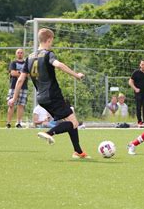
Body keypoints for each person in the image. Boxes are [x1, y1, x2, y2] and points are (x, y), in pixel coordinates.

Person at [9, 28, 89, 159]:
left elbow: (20, 80)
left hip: (41, 98)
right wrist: (76, 75)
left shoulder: (29, 58)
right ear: (49, 39)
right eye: (52, 41)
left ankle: (78, 152)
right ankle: (50, 133)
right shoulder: (48, 54)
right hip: (53, 95)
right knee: (74, 123)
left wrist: (14, 98)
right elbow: (59, 65)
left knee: (70, 120)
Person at [6, 48, 28, 128]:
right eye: (18, 52)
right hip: (13, 87)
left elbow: (28, 74)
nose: (20, 54)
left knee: (21, 105)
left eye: (21, 53)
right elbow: (13, 73)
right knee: (11, 104)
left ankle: (18, 122)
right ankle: (8, 123)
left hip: (24, 87)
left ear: (23, 54)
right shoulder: (13, 63)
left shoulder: (26, 63)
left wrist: (19, 73)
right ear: (16, 54)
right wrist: (22, 74)